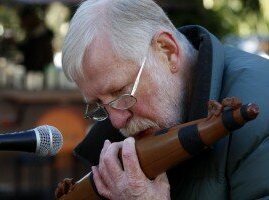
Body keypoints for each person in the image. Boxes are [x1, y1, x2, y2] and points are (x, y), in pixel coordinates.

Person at [60, 0, 269, 199]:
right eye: (99, 104)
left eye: (121, 92)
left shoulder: (262, 117)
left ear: (167, 50)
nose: (116, 122)